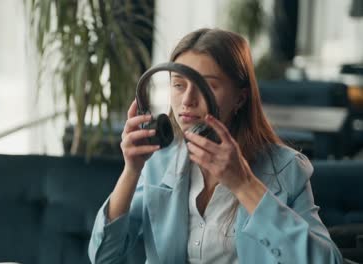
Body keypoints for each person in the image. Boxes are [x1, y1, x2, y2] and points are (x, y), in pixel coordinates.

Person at [88, 28, 343, 264]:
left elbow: (326, 261)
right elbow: (104, 257)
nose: (187, 100)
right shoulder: (159, 160)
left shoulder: (286, 168)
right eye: (178, 84)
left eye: (207, 86)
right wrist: (131, 171)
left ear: (240, 97)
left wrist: (244, 185)